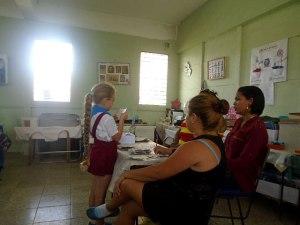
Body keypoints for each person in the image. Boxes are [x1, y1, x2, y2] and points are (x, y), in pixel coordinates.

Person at [86, 92, 229, 225]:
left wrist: (126, 174)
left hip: (184, 208)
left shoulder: (194, 147)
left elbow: (158, 172)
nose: (185, 119)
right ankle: (110, 209)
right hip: (198, 205)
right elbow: (192, 159)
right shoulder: (214, 142)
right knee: (129, 208)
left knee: (126, 183)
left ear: (195, 118)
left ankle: (109, 208)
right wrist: (170, 151)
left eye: (187, 115)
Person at [84, 82, 128, 225]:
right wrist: (121, 119)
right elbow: (117, 137)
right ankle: (99, 222)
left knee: (95, 187)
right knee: (101, 192)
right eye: (113, 100)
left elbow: (103, 133)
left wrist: (114, 120)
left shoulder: (94, 114)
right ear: (106, 100)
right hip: (105, 156)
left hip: (97, 153)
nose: (113, 102)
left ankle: (93, 218)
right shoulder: (106, 117)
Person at [225, 85, 268, 192]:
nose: (234, 103)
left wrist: (220, 164)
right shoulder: (239, 122)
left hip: (240, 177)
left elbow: (244, 162)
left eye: (238, 99)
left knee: (200, 175)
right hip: (229, 170)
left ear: (250, 101)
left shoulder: (257, 127)